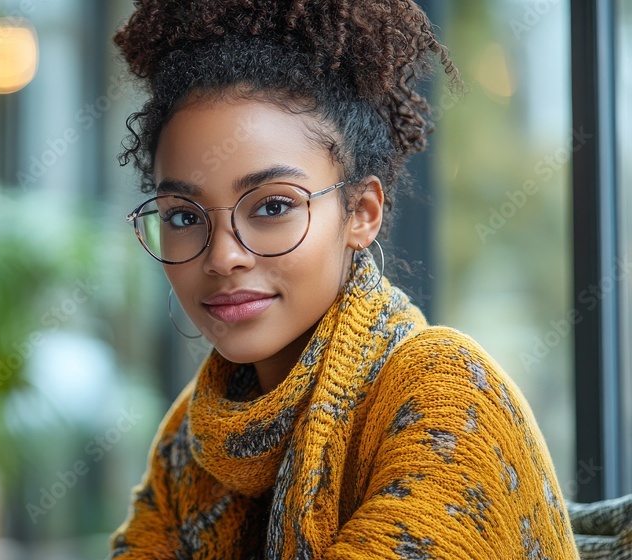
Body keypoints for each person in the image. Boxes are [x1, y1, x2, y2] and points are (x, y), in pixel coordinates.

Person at [108, 1, 582, 558]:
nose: (224, 257)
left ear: (360, 213)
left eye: (271, 206)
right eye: (184, 217)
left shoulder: (446, 395)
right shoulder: (191, 442)